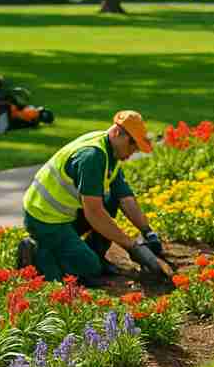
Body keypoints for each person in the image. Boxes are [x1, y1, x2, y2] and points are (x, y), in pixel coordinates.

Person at [17, 110, 172, 285]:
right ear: (116, 133)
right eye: (132, 144)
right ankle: (35, 250)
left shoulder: (110, 152)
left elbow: (125, 198)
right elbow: (94, 214)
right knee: (89, 269)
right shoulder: (92, 156)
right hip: (45, 219)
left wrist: (147, 232)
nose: (134, 151)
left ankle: (92, 254)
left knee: (111, 199)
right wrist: (133, 248)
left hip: (66, 215)